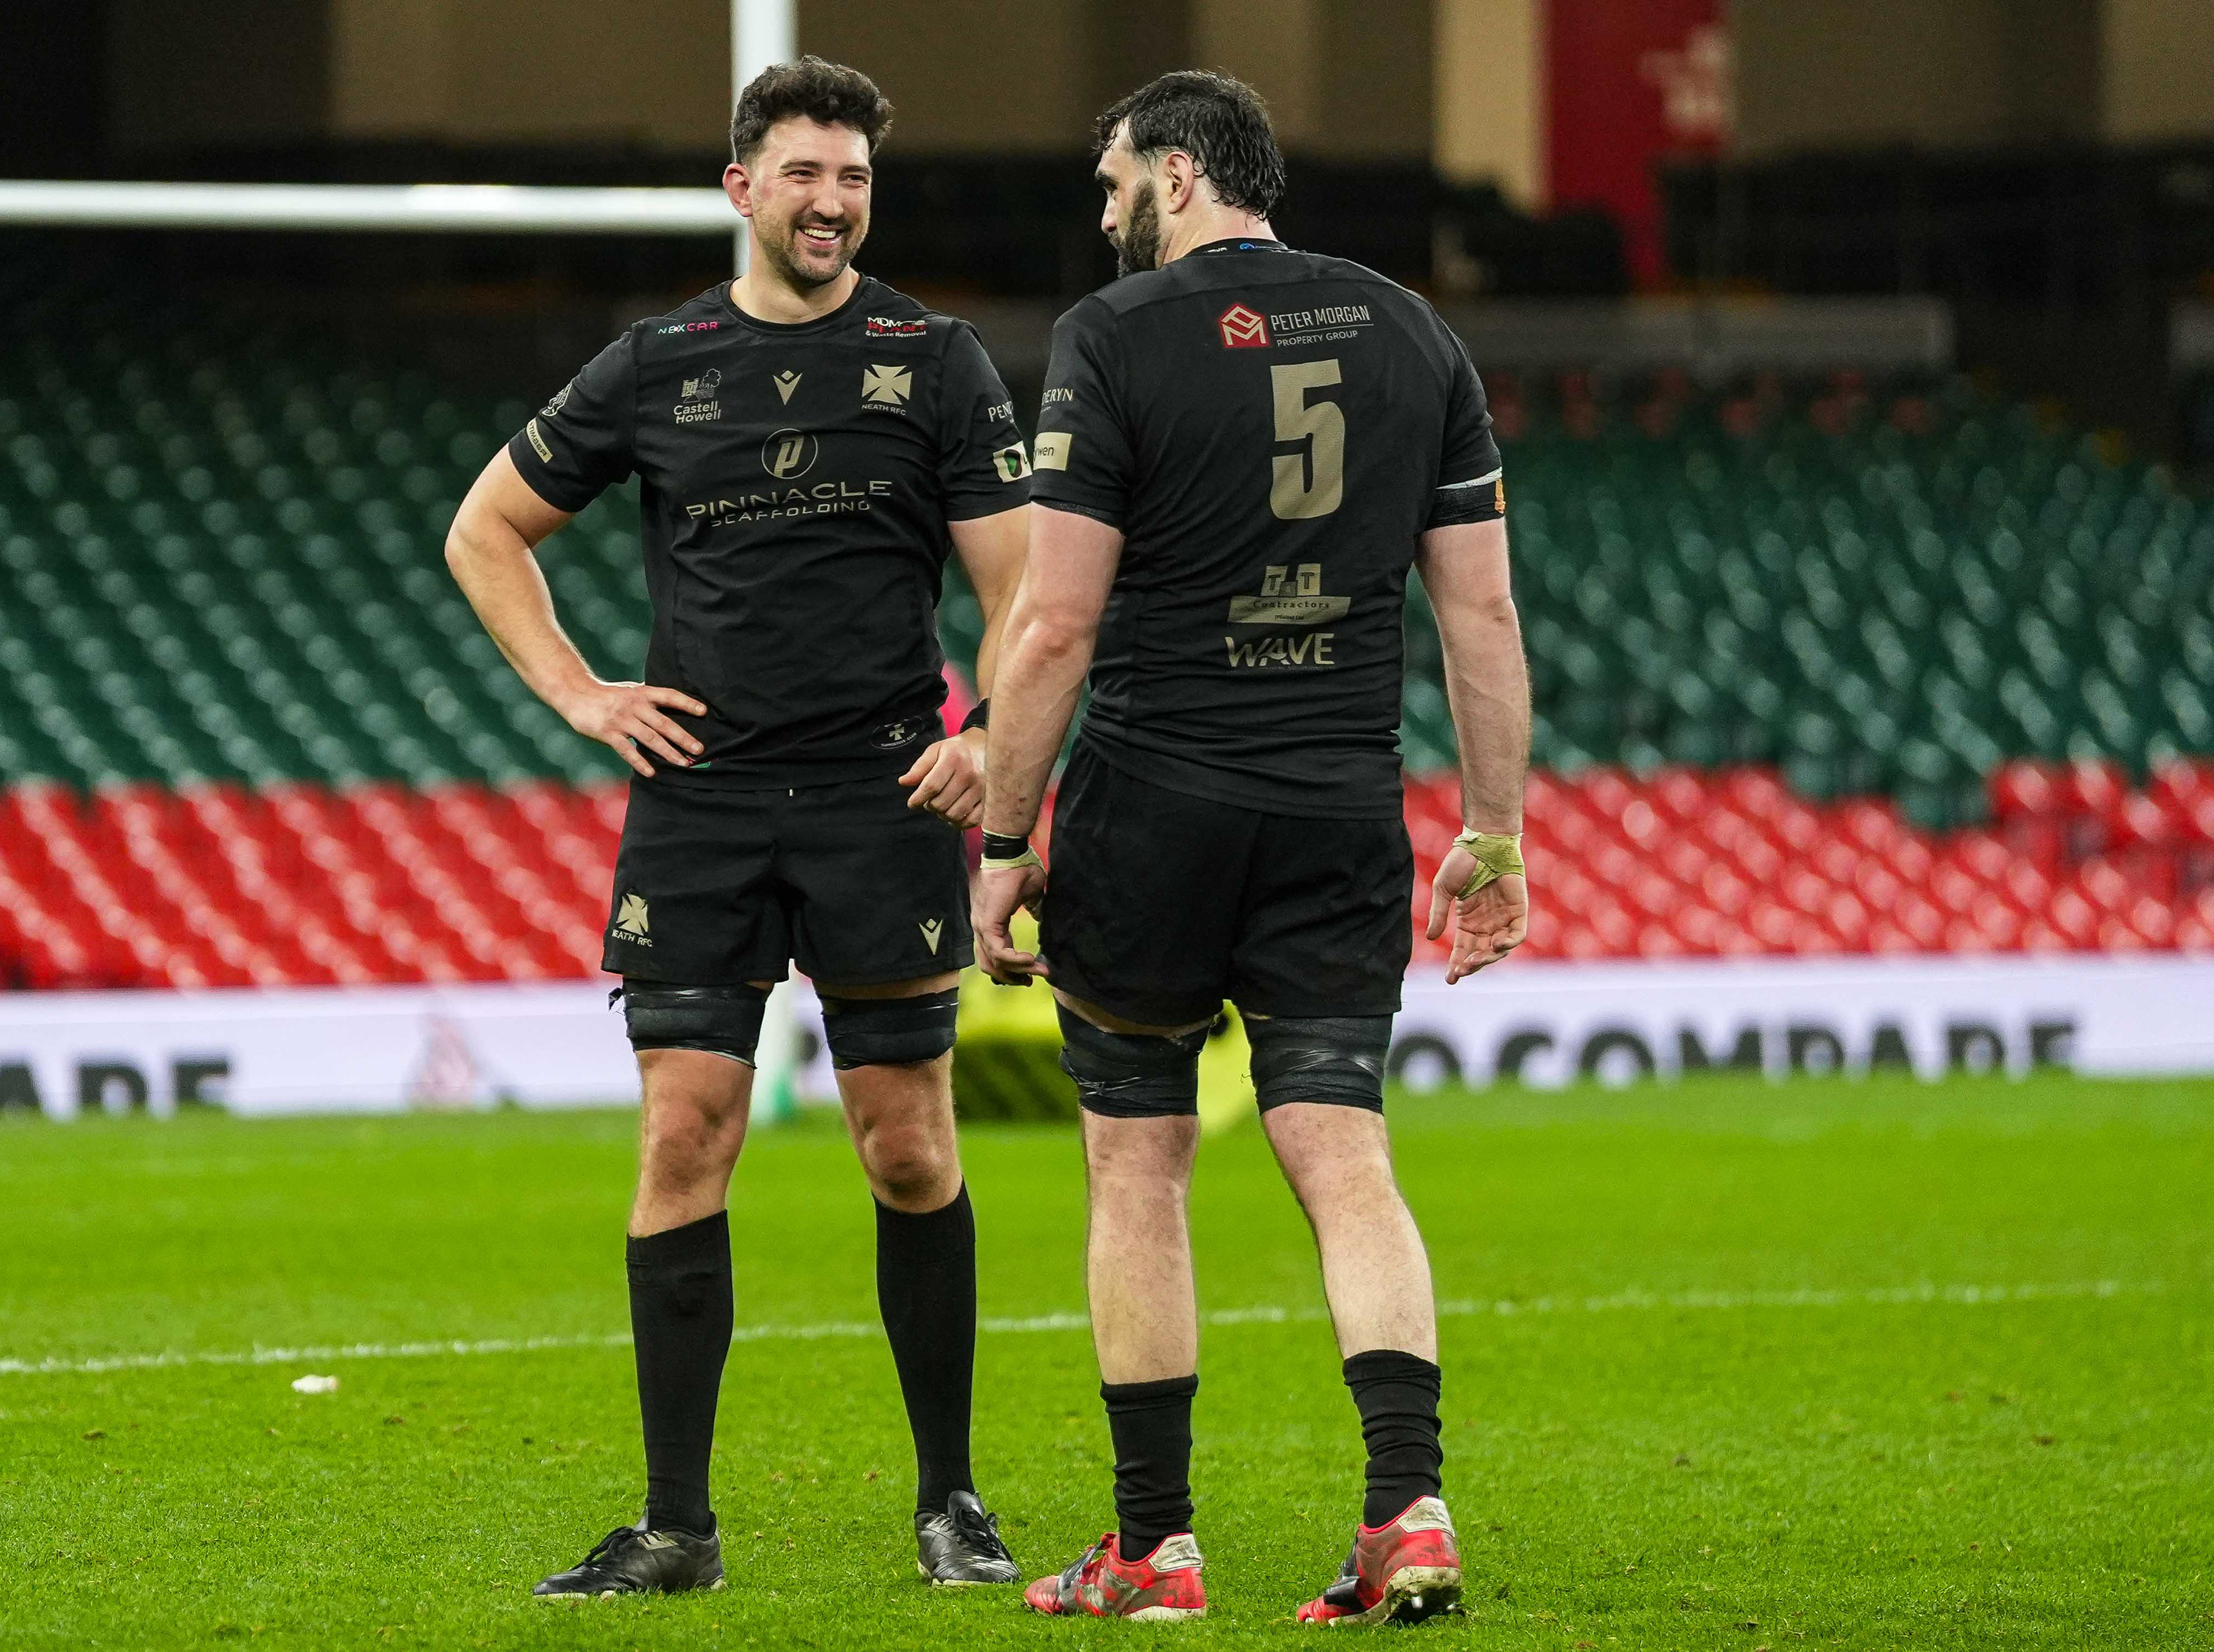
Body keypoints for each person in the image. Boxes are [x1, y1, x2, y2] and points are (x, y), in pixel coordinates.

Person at [444, 56, 1031, 1598]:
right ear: (742, 188)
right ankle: (675, 1527)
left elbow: (1025, 589)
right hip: (700, 806)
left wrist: (993, 737)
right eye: (805, 174)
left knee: (907, 1146)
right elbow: (485, 529)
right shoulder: (657, 363)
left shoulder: (936, 358)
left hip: (882, 799)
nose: (832, 202)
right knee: (683, 1136)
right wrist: (581, 695)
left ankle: (953, 1501)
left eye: (854, 178)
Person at [971, 71, 1532, 1626]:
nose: (1104, 214)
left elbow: (1055, 620)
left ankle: (1155, 1546)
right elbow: (1481, 612)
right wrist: (1496, 835)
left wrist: (1005, 837)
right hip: (1339, 805)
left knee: (1137, 1160)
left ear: (1175, 172)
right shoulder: (1415, 331)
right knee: (1344, 1153)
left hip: (1154, 805)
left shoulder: (1112, 335)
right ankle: (1409, 1511)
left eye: (1111, 183)